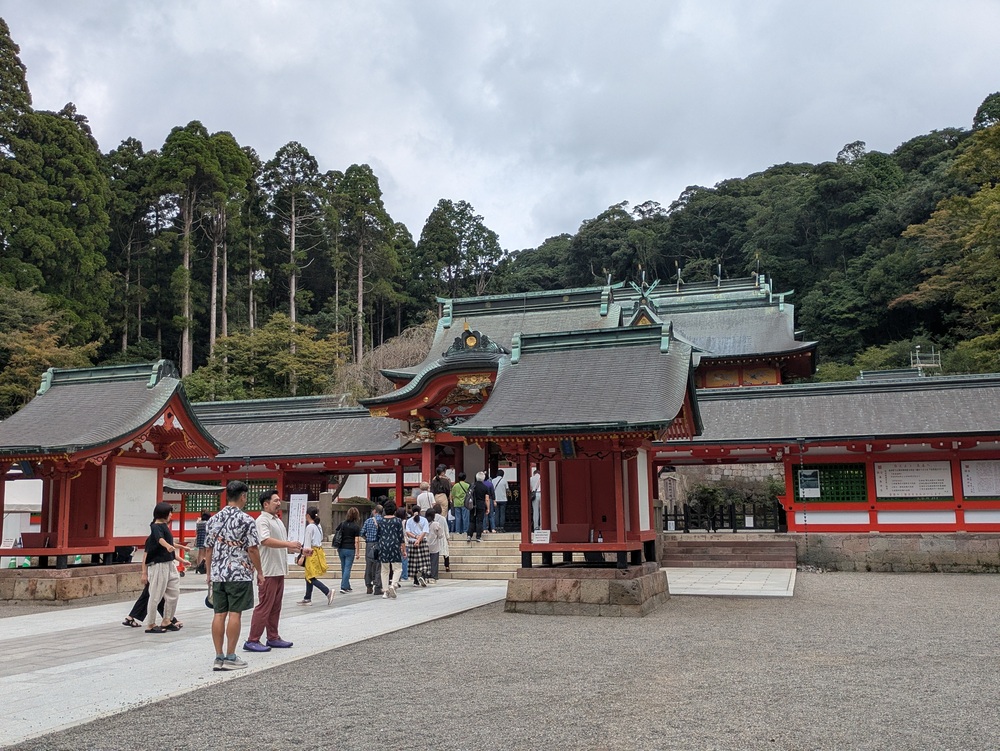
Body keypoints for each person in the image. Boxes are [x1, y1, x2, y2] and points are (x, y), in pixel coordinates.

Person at [206, 480, 264, 671]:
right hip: (238, 572)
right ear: (243, 496)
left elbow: (208, 549)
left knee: (219, 614)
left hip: (218, 573)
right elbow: (253, 549)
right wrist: (260, 572)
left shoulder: (213, 519)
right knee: (235, 614)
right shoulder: (247, 520)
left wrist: (209, 573)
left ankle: (218, 656)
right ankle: (230, 656)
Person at [244, 490, 301, 653]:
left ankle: (273, 636)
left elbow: (281, 545)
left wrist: (297, 549)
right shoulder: (262, 520)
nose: (278, 503)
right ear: (266, 504)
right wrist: (288, 544)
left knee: (275, 606)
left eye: (279, 500)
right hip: (268, 569)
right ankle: (252, 639)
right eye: (275, 500)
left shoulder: (277, 520)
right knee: (264, 605)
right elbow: (265, 540)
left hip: (278, 568)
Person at [142, 502, 182, 634]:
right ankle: (151, 624)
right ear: (163, 513)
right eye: (169, 512)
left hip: (169, 563)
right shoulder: (156, 526)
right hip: (158, 565)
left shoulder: (164, 526)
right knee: (156, 595)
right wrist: (167, 546)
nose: (171, 514)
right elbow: (160, 540)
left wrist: (181, 551)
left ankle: (167, 619)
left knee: (173, 592)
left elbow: (170, 543)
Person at [299, 506, 333, 606]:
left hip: (310, 552)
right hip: (318, 551)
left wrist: (302, 556)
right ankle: (307, 598)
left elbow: (307, 543)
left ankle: (327, 591)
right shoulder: (318, 526)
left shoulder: (310, 527)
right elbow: (321, 537)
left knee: (310, 576)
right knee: (309, 575)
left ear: (308, 515)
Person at [375, 500, 406, 599]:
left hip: (383, 545)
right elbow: (401, 536)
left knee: (384, 570)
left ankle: (385, 591)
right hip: (394, 545)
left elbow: (378, 535)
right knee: (397, 568)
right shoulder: (397, 521)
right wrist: (404, 550)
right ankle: (393, 584)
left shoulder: (381, 521)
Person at [335, 506, 362, 593]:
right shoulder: (356, 527)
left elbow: (337, 533)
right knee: (347, 568)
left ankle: (347, 585)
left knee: (344, 567)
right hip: (350, 548)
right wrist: (358, 552)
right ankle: (343, 586)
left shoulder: (342, 524)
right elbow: (357, 541)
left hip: (341, 547)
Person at [405, 505, 431, 587]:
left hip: (412, 542)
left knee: (414, 561)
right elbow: (425, 531)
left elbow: (407, 532)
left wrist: (415, 538)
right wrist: (419, 540)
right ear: (420, 512)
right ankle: (422, 576)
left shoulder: (409, 521)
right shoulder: (424, 520)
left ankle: (415, 580)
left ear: (412, 512)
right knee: (423, 560)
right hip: (422, 541)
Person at [361, 502, 384, 595]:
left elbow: (362, 532)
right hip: (379, 544)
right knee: (378, 566)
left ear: (375, 511)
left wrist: (367, 539)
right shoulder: (383, 521)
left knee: (369, 565)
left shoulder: (368, 521)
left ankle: (368, 585)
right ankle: (378, 586)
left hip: (369, 544)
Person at [425, 506, 448, 582]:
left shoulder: (424, 523)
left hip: (425, 545)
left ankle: (426, 575)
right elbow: (441, 535)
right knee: (434, 562)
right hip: (434, 545)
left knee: (426, 561)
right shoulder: (436, 524)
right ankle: (434, 576)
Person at [468, 471, 491, 543]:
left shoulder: (472, 485)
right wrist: (488, 508)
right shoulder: (485, 487)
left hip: (472, 505)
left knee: (472, 520)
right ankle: (478, 536)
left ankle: (469, 535)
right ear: (483, 478)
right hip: (481, 505)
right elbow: (486, 499)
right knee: (480, 521)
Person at [530, 465, 542, 531]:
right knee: (542, 511)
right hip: (542, 494)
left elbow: (530, 488)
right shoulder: (541, 477)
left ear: (534, 473)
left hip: (535, 495)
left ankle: (535, 527)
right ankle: (542, 526)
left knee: (535, 511)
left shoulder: (531, 478)